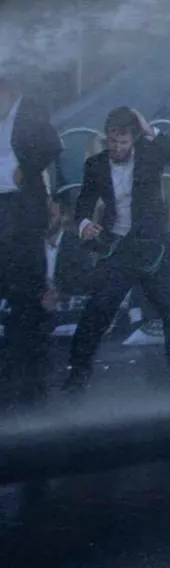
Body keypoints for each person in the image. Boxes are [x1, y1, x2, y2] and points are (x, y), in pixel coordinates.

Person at [67, 107, 170, 392]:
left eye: (123, 142)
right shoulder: (95, 165)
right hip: (118, 248)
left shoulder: (150, 154)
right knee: (98, 309)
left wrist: (150, 130)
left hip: (154, 246)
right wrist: (84, 224)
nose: (117, 148)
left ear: (134, 138)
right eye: (113, 141)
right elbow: (84, 202)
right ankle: (77, 374)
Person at [0, 77, 62, 406]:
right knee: (9, 285)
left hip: (23, 210)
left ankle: (32, 370)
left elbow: (53, 145)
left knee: (28, 286)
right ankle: (11, 361)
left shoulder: (29, 112)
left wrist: (28, 167)